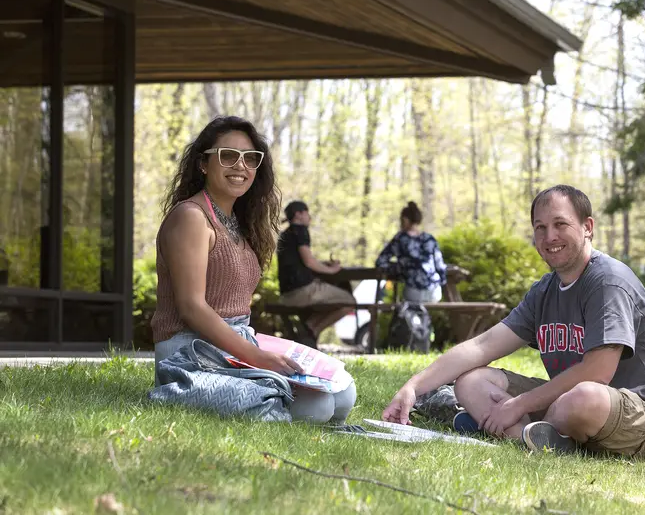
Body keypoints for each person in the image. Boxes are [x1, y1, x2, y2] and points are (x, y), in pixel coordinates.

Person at [383, 185, 645, 460]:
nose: (549, 236)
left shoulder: (607, 280)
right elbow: (483, 345)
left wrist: (518, 405)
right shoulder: (544, 292)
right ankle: (536, 438)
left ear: (587, 228)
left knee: (582, 397)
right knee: (471, 382)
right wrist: (414, 387)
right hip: (572, 405)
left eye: (560, 224)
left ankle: (521, 430)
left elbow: (599, 372)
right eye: (540, 227)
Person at [150, 116, 356, 425]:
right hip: (188, 353)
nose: (240, 166)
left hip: (236, 345)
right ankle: (183, 393)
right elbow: (192, 308)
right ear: (204, 164)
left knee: (343, 395)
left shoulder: (241, 222)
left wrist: (256, 352)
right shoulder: (191, 218)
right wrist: (257, 358)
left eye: (251, 159)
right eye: (228, 156)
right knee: (316, 409)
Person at [277, 200, 356, 337]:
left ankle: (309, 332)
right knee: (349, 302)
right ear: (299, 214)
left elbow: (299, 261)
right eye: (307, 213)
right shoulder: (300, 230)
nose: (309, 217)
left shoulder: (285, 234)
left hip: (286, 294)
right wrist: (332, 270)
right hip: (303, 291)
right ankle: (312, 329)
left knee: (328, 303)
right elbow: (309, 262)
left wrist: (323, 264)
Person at [375, 201, 447, 303]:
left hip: (413, 289)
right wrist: (442, 281)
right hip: (435, 290)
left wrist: (398, 268)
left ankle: (415, 319)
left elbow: (380, 261)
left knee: (408, 309)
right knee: (421, 309)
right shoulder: (429, 239)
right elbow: (440, 266)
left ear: (405, 220)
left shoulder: (400, 239)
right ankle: (424, 319)